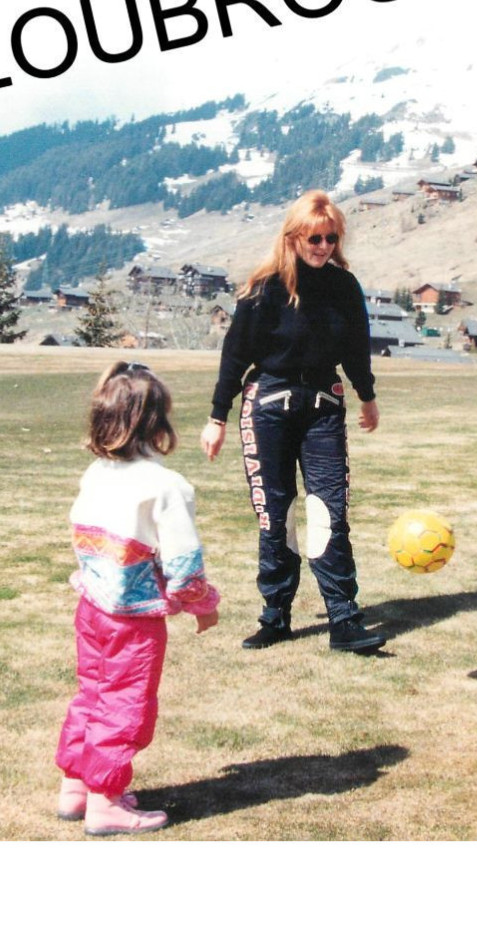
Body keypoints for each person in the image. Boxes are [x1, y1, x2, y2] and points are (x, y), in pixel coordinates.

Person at [200, 189, 385, 654]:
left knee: (329, 511)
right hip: (267, 408)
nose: (323, 246)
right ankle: (275, 616)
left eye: (331, 237)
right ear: (294, 236)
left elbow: (356, 346)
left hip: (324, 406)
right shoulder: (264, 288)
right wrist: (216, 417)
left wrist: (367, 396)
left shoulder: (345, 287)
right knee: (276, 514)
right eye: (314, 237)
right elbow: (234, 356)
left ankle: (344, 619)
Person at [56, 361, 221, 836]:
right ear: (159, 423)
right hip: (133, 620)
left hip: (91, 607)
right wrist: (203, 605)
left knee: (92, 692)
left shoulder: (96, 472)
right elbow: (184, 565)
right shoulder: (165, 486)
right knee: (124, 702)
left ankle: (77, 786)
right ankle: (106, 802)